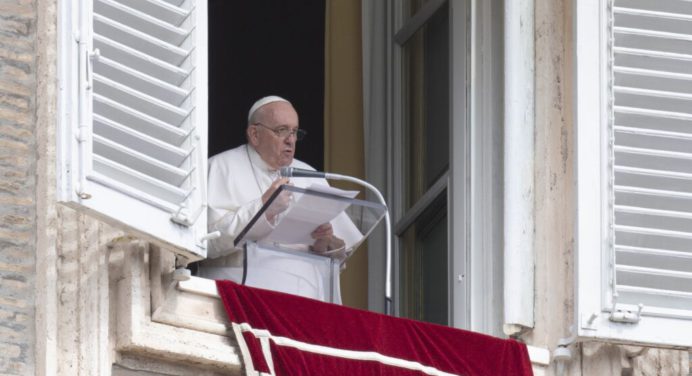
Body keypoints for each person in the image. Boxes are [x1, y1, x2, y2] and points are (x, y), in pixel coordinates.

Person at [197, 96, 356, 302]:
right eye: (282, 130)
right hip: (242, 298)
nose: (291, 140)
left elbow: (339, 259)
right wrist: (264, 208)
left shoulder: (308, 175)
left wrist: (326, 242)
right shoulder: (219, 167)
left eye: (295, 132)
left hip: (306, 300)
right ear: (254, 134)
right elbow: (206, 243)